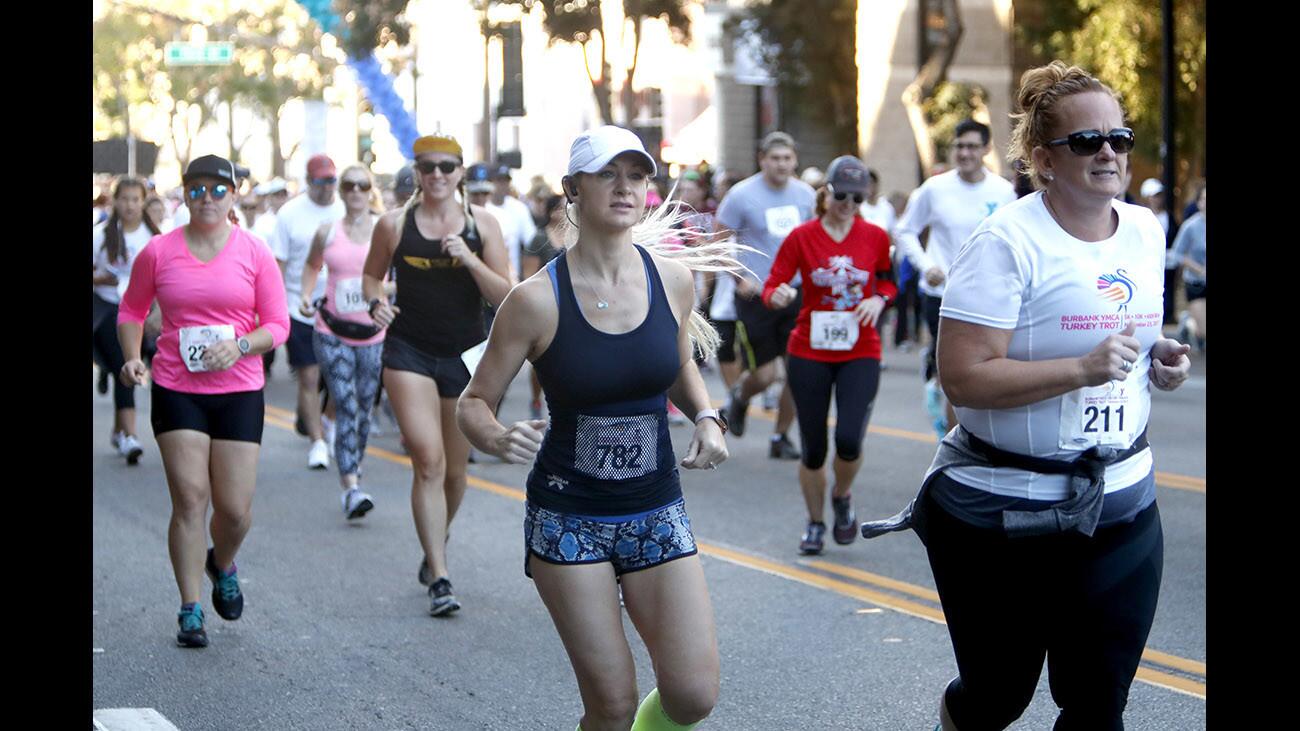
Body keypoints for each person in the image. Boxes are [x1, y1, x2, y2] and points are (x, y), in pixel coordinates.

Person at [860, 61, 1192, 730]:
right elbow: (963, 376)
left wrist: (1158, 361)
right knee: (997, 697)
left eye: (1118, 139)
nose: (1107, 152)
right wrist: (1080, 369)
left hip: (1122, 504)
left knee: (1099, 701)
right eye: (1086, 141)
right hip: (1004, 515)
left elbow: (1128, 339)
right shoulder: (1006, 240)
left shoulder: (1145, 231)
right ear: (1043, 159)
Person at [456, 124, 735, 731]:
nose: (625, 186)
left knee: (693, 696)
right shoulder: (535, 300)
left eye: (636, 175)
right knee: (609, 708)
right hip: (569, 520)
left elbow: (677, 358)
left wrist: (707, 416)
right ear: (572, 189)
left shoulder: (672, 280)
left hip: (656, 510)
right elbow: (473, 402)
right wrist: (497, 437)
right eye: (607, 173)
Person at [116, 154, 290, 648]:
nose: (207, 199)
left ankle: (221, 562)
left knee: (234, 510)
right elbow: (132, 309)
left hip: (238, 389)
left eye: (218, 190)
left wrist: (238, 345)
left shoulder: (254, 253)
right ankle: (190, 607)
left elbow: (278, 326)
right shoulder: (158, 251)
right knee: (190, 498)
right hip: (177, 385)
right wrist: (132, 356)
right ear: (183, 195)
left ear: (233, 195)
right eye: (197, 190)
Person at [363, 134, 513, 616]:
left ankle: (436, 541)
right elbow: (371, 276)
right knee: (426, 461)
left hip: (466, 357)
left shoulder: (482, 225)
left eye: (447, 167)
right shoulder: (394, 224)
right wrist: (376, 302)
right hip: (407, 351)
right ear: (417, 172)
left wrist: (468, 258)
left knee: (454, 471)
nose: (437, 176)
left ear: (460, 172)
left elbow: (504, 295)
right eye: (428, 167)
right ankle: (441, 574)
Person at [762, 156, 896, 554]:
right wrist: (779, 295)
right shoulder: (803, 237)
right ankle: (816, 521)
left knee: (850, 439)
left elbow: (889, 282)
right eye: (842, 195)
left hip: (861, 350)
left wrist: (878, 299)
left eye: (858, 198)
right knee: (814, 446)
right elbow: (774, 283)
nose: (849, 205)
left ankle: (842, 494)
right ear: (827, 193)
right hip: (810, 350)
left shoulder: (874, 236)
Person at [893, 120, 1017, 437]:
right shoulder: (934, 189)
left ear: (986, 150)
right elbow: (904, 230)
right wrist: (925, 265)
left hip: (987, 295)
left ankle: (968, 425)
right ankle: (954, 439)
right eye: (959, 146)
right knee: (955, 372)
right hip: (941, 294)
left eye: (972, 147)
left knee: (986, 367)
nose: (965, 153)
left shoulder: (1003, 192)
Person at [718, 131, 817, 460]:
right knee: (765, 374)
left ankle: (780, 436)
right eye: (775, 158)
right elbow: (717, 242)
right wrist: (739, 278)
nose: (782, 164)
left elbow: (814, 242)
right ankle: (740, 396)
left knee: (798, 371)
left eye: (787, 158)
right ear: (762, 159)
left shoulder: (806, 195)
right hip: (757, 294)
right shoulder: (741, 195)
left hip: (796, 293)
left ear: (795, 161)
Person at [298, 164, 388, 520]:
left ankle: (355, 463)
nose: (354, 191)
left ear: (370, 189)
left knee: (365, 406)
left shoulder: (385, 230)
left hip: (373, 334)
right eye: (347, 185)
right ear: (341, 191)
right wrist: (306, 295)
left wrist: (387, 294)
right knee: (346, 403)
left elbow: (397, 275)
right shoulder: (327, 232)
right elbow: (311, 266)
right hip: (331, 329)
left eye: (361, 185)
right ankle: (351, 486)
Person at [270, 154, 345, 470]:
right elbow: (279, 264)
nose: (327, 187)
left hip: (341, 308)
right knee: (309, 376)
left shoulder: (345, 209)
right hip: (298, 307)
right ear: (309, 181)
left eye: (331, 180)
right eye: (320, 181)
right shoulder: (290, 214)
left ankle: (327, 420)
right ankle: (317, 441)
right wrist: (273, 307)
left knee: (341, 377)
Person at [94, 176, 162, 464]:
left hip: (147, 311)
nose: (130, 205)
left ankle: (120, 429)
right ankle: (130, 435)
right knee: (126, 361)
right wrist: (102, 278)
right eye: (124, 199)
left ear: (143, 201)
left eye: (135, 199)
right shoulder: (100, 234)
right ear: (115, 201)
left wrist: (158, 312)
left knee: (148, 365)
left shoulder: (155, 238)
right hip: (109, 307)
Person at [520, 193, 568, 420]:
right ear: (550, 211)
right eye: (559, 207)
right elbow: (528, 276)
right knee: (541, 359)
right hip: (547, 307)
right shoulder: (539, 239)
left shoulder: (577, 237)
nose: (563, 211)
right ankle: (537, 399)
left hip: (572, 306)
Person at [489, 162, 539, 280]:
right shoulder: (483, 206)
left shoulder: (519, 208)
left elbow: (531, 241)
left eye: (506, 181)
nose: (503, 184)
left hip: (512, 278)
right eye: (499, 180)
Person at [1172, 185, 1206, 351]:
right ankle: (1188, 322)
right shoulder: (1190, 226)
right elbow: (1176, 254)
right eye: (1204, 199)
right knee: (1204, 331)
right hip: (1196, 283)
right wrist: (1198, 269)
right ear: (1199, 203)